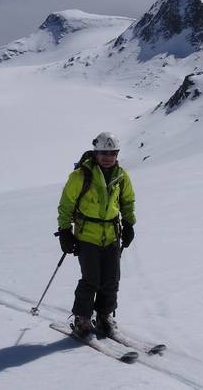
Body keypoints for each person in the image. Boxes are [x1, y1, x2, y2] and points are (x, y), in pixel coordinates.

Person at [56, 131, 136, 338]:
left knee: (111, 279)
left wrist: (129, 224)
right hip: (87, 236)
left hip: (111, 235)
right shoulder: (80, 175)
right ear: (96, 153)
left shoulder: (121, 176)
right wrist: (65, 232)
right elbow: (66, 205)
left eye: (112, 153)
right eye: (103, 153)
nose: (108, 158)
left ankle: (104, 316)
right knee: (91, 279)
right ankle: (82, 318)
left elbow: (127, 201)